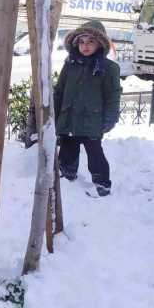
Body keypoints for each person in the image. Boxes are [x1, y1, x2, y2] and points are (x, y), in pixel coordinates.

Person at [54, 20, 121, 196]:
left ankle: (102, 183)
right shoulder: (70, 64)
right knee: (67, 151)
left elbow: (112, 96)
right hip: (69, 119)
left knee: (95, 155)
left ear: (100, 43)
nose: (85, 46)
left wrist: (110, 119)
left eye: (90, 41)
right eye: (82, 42)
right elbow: (60, 90)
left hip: (93, 121)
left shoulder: (108, 68)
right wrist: (54, 113)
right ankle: (67, 178)